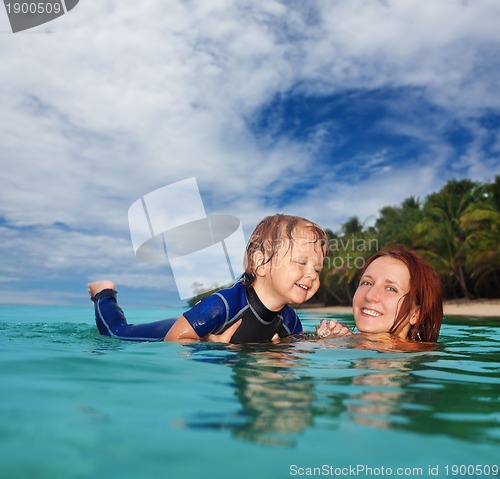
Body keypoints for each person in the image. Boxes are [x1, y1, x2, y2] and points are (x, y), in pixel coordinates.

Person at [88, 214, 327, 344]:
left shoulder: (289, 320)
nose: (311, 275)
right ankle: (104, 294)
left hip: (195, 324)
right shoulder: (224, 304)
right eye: (301, 263)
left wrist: (329, 338)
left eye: (317, 269)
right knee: (116, 332)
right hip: (171, 330)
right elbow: (174, 340)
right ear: (260, 263)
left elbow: (297, 345)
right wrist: (208, 346)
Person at [315, 245, 443, 342]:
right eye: (367, 283)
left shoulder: (421, 356)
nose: (369, 296)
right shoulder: (346, 339)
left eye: (391, 289)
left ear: (415, 314)